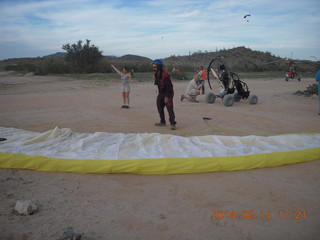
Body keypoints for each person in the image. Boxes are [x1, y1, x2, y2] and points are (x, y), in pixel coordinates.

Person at [152, 59, 177, 130]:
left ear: (159, 67)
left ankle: (173, 123)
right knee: (159, 106)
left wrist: (167, 97)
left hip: (168, 92)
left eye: (155, 67)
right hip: (161, 93)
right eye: (153, 67)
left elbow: (170, 87)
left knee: (169, 108)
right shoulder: (157, 74)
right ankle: (162, 122)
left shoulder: (165, 75)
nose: (154, 68)